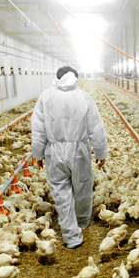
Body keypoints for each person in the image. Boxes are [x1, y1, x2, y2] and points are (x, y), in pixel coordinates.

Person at [31, 66, 108, 249]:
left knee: (60, 192)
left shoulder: (45, 97)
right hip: (79, 150)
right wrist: (100, 151)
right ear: (75, 78)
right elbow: (96, 127)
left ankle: (71, 236)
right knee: (82, 186)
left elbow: (38, 128)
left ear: (57, 78)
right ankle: (82, 221)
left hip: (54, 150)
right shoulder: (84, 97)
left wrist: (38, 153)